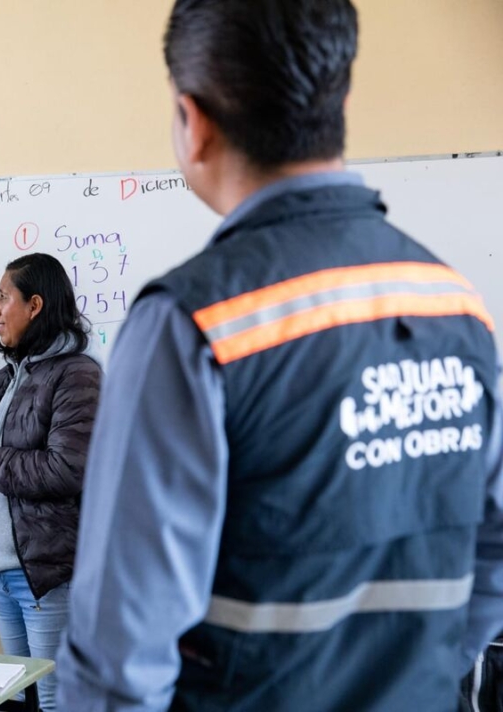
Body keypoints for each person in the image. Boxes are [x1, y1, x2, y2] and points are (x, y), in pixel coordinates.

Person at [58, 1, 503, 710]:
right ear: (340, 103)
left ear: (192, 121)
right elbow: (492, 557)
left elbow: (120, 655)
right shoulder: (457, 308)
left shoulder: (191, 324)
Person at [0, 252, 100, 711]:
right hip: (4, 574)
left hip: (49, 575)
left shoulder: (78, 375)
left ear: (34, 305)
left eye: (2, 297)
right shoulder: (1, 379)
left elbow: (65, 470)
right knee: (21, 697)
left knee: (56, 702)